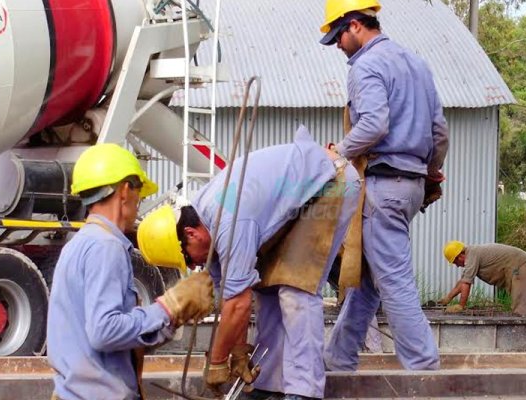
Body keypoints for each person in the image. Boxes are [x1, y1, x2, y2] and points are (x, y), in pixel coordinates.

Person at [138, 126, 360, 400]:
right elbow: (233, 299)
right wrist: (239, 350)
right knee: (265, 290)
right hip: (306, 195)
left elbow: (237, 303)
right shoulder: (210, 226)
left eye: (186, 257)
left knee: (296, 289)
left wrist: (218, 361)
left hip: (331, 182)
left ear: (190, 233)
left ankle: (304, 391)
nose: (194, 265)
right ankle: (267, 384)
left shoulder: (228, 221)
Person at [319, 0, 449, 371]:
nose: (338, 47)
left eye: (338, 37)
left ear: (356, 25)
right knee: (365, 280)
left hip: (383, 184)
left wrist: (338, 153)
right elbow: (440, 132)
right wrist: (431, 172)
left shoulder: (366, 65)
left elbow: (374, 124)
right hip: (409, 186)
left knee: (393, 281)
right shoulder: (417, 64)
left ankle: (425, 370)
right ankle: (338, 359)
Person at [47, 143, 214, 400]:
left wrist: (169, 322)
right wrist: (167, 308)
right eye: (140, 194)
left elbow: (109, 340)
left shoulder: (79, 244)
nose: (139, 203)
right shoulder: (106, 247)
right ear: (125, 190)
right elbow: (105, 331)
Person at [439, 241, 526, 318]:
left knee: (522, 308)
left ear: (459, 256)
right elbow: (462, 282)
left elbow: (466, 284)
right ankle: (519, 335)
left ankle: (524, 337)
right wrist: (447, 299)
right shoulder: (472, 254)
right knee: (518, 305)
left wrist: (461, 306)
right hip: (516, 266)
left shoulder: (472, 255)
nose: (456, 266)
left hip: (521, 265)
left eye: (455, 262)